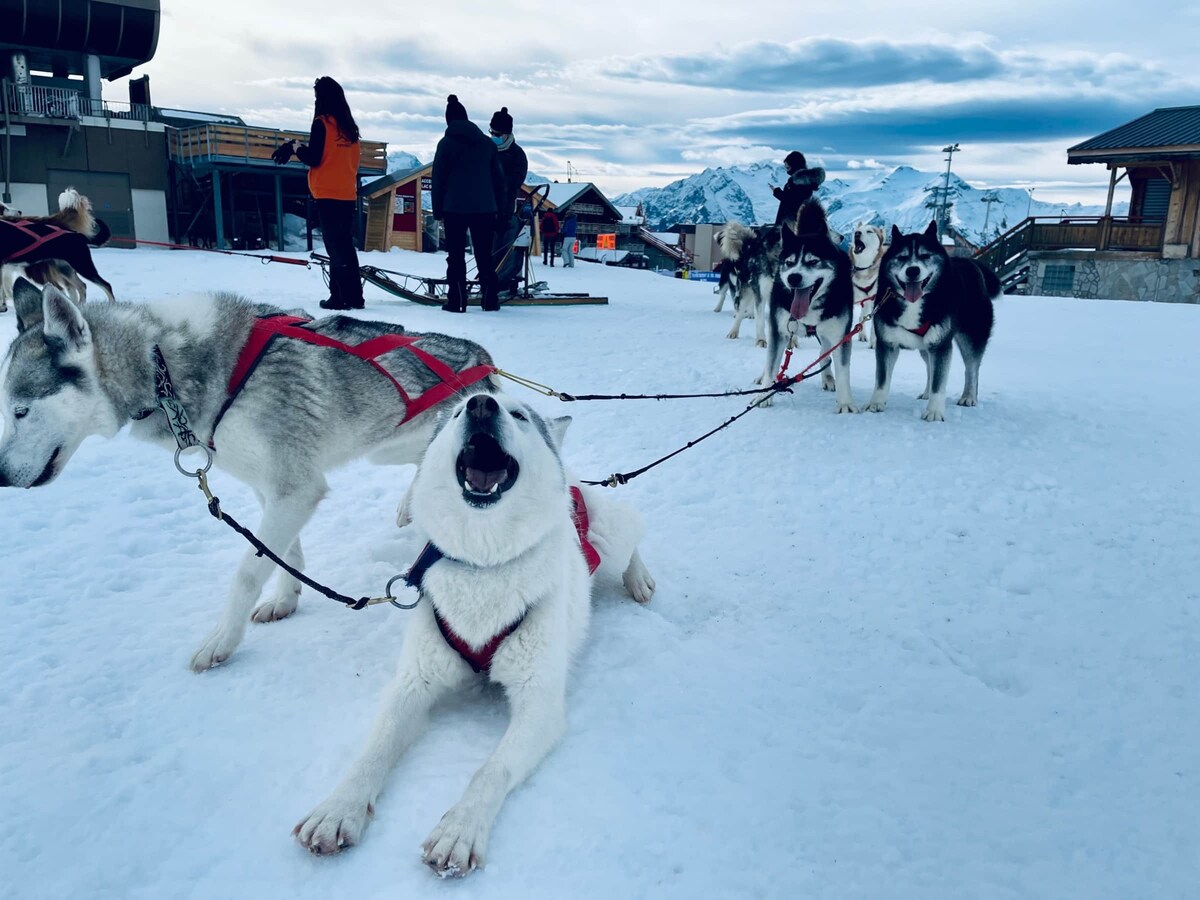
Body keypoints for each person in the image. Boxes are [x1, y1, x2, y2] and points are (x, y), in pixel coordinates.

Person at [274, 76, 364, 310]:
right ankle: (355, 296)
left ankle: (339, 297)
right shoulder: (350, 129)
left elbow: (314, 158)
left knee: (334, 246)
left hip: (327, 193)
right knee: (346, 246)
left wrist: (295, 148)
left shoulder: (322, 123)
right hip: (347, 194)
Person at [432, 94, 506, 312]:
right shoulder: (487, 144)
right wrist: (501, 210)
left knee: (455, 256)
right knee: (484, 255)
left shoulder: (445, 144)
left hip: (454, 209)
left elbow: (438, 180)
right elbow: (499, 181)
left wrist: (437, 211)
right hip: (485, 209)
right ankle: (490, 300)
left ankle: (457, 301)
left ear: (448, 121)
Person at [772, 151, 826, 228]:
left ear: (794, 165)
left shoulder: (797, 182)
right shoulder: (805, 181)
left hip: (790, 224)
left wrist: (777, 192)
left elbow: (792, 202)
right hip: (796, 223)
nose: (787, 170)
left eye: (788, 167)